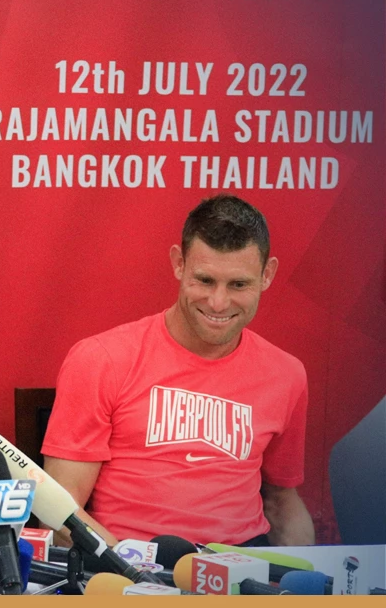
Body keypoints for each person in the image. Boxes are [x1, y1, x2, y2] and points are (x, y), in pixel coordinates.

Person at [42, 194, 313, 547]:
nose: (218, 303)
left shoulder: (287, 375)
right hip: (130, 562)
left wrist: (309, 572)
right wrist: (126, 566)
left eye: (238, 285)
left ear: (267, 275)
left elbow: (282, 502)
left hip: (243, 565)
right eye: (205, 280)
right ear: (179, 264)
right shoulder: (100, 359)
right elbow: (61, 511)